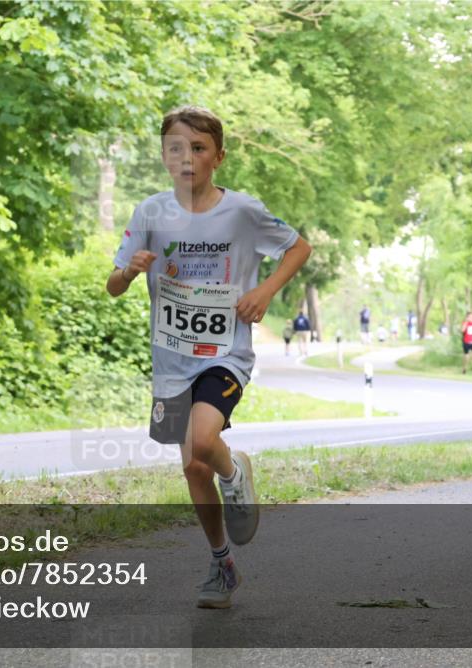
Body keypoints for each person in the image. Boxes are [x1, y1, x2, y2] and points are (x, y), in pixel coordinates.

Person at [107, 106, 311, 609]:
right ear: (163, 156)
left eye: (198, 149)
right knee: (194, 470)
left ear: (218, 157)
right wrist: (130, 272)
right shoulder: (150, 213)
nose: (186, 158)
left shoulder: (242, 211)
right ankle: (223, 565)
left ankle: (234, 473)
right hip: (170, 359)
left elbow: (298, 248)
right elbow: (112, 285)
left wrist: (264, 291)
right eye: (175, 148)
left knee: (203, 442)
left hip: (225, 353)